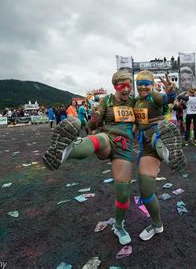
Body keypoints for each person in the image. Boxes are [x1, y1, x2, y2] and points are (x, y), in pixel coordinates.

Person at [43, 70, 137, 246]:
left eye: (128, 85)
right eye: (121, 85)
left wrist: (169, 94)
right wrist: (93, 119)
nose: (126, 89)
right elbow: (92, 125)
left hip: (125, 148)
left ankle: (118, 225)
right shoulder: (106, 101)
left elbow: (157, 105)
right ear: (115, 86)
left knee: (123, 193)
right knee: (99, 139)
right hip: (108, 138)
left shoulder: (134, 101)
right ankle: (66, 150)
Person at [133, 70, 186, 242]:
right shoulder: (137, 102)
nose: (142, 87)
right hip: (145, 147)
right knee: (146, 191)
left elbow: (165, 99)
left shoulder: (153, 96)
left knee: (159, 139)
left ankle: (170, 153)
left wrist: (170, 92)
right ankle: (157, 225)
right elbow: (136, 121)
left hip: (157, 134)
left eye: (146, 84)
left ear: (152, 85)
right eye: (139, 84)